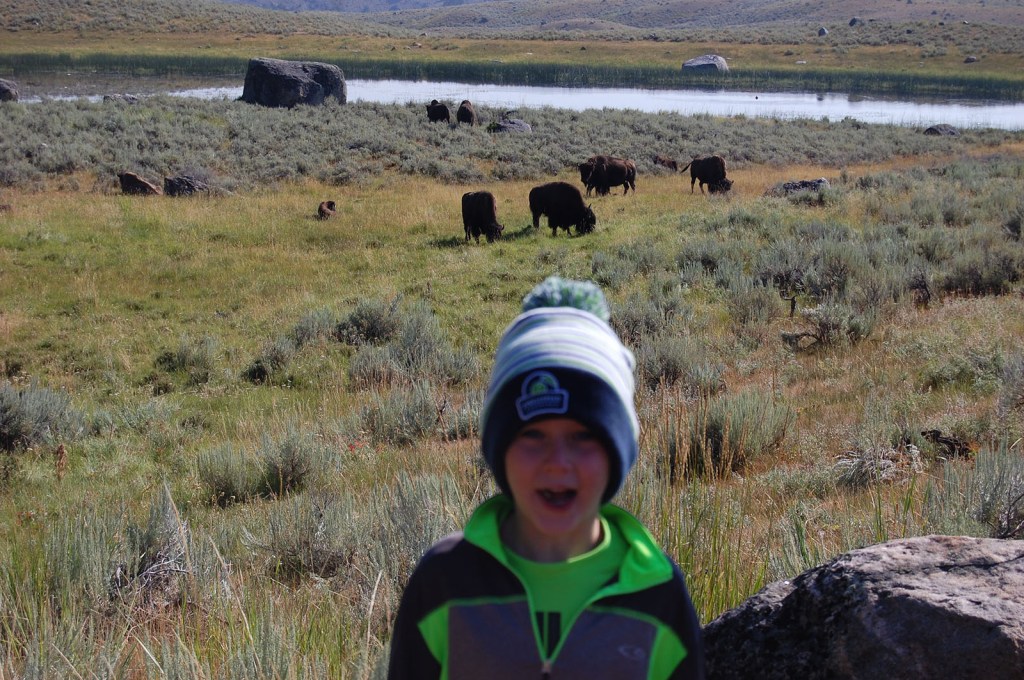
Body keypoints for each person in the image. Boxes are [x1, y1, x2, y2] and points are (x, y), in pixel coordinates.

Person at [387, 276, 705, 679]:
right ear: (499, 450)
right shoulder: (444, 583)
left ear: (617, 453)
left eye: (583, 436)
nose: (557, 462)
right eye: (532, 435)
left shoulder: (656, 593)